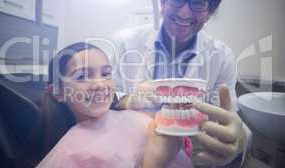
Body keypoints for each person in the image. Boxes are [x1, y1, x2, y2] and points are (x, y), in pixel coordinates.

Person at [112, 0, 251, 167]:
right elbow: (111, 99)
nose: (184, 12)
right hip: (131, 156)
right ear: (162, 0)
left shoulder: (221, 57)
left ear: (209, 11)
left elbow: (229, 118)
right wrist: (129, 100)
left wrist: (239, 140)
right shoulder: (128, 44)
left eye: (198, 3)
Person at [34, 42, 193, 168]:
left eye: (106, 74)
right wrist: (154, 162)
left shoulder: (139, 119)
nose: (100, 84)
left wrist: (177, 137)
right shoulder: (68, 152)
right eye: (82, 76)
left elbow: (181, 147)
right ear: (58, 92)